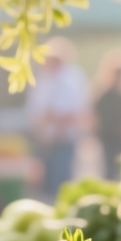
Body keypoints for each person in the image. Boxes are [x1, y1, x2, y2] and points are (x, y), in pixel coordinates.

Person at [27, 37, 89, 197]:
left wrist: (51, 118)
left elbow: (75, 113)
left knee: (60, 186)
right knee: (43, 186)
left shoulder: (72, 78)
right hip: (44, 141)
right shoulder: (45, 77)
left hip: (62, 140)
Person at [92, 50, 121, 179]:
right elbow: (96, 114)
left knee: (119, 167)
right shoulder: (105, 93)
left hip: (119, 136)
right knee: (109, 168)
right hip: (107, 135)